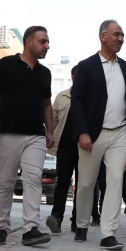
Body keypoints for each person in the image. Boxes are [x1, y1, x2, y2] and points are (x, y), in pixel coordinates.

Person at [0, 26, 54, 247]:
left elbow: (47, 105)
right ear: (28, 42)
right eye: (43, 42)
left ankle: (31, 228)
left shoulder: (45, 73)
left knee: (33, 179)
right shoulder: (6, 64)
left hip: (35, 136)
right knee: (5, 183)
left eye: (48, 42)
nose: (47, 46)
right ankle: (2, 228)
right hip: (8, 133)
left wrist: (50, 130)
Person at [71, 19, 126, 250]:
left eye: (122, 36)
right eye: (116, 35)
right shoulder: (86, 66)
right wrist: (82, 132)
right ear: (103, 36)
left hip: (120, 133)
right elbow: (78, 102)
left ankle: (108, 234)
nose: (120, 39)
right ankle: (81, 224)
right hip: (92, 135)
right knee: (86, 183)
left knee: (115, 180)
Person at [46, 66, 79, 234]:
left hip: (85, 148)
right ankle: (56, 217)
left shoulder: (91, 97)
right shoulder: (62, 96)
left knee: (83, 185)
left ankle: (77, 222)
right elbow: (53, 120)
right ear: (72, 77)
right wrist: (49, 135)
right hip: (64, 146)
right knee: (63, 181)